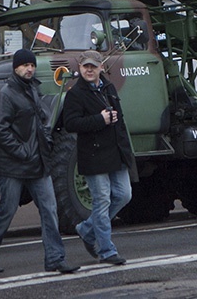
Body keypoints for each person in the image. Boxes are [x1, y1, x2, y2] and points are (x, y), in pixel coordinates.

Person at [0, 49, 79, 275]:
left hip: (38, 162)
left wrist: (45, 138)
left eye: (31, 65)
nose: (29, 69)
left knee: (49, 209)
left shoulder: (33, 89)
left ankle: (55, 258)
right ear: (16, 68)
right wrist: (22, 151)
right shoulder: (6, 93)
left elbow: (42, 117)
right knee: (6, 210)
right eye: (24, 65)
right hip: (14, 165)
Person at [63, 50, 136, 265]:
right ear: (80, 67)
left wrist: (126, 151)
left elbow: (120, 122)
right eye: (85, 66)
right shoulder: (75, 94)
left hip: (115, 152)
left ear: (101, 68)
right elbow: (71, 124)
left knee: (124, 195)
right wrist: (99, 119)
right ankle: (107, 251)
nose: (89, 70)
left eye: (93, 66)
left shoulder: (109, 88)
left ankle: (87, 228)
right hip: (93, 155)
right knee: (102, 201)